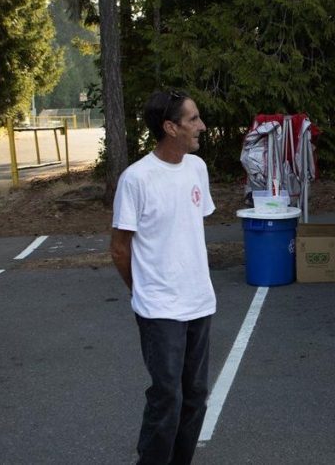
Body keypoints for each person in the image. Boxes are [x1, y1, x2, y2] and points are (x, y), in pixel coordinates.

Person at [110, 90, 215, 465]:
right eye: (193, 119)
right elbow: (119, 248)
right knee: (167, 396)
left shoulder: (196, 168)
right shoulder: (136, 179)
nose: (202, 126)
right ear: (170, 127)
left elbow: (187, 230)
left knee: (195, 395)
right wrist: (141, 292)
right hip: (159, 308)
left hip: (199, 301)